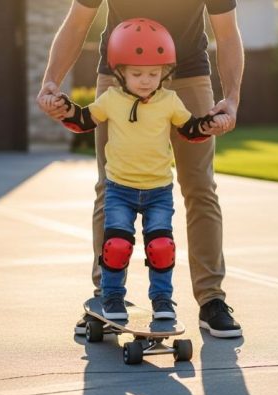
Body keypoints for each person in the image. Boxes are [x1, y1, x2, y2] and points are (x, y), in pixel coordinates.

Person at [37, 0, 244, 338]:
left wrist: (232, 98)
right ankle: (105, 296)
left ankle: (211, 300)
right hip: (121, 74)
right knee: (111, 184)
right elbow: (77, 23)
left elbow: (227, 32)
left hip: (187, 73)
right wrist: (51, 81)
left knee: (200, 187)